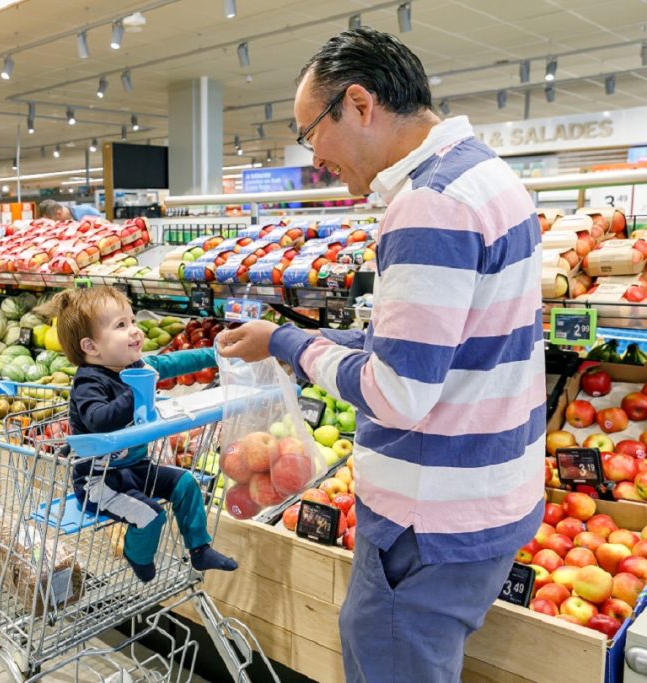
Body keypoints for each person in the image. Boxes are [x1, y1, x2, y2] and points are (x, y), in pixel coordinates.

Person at [216, 27, 544, 683]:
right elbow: (443, 346)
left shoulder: (429, 206)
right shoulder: (487, 175)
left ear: (360, 104)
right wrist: (324, 344)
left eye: (313, 134)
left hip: (427, 521)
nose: (316, 160)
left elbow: (399, 392)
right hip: (489, 494)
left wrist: (290, 342)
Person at [39, 287, 237, 583]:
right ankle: (137, 554)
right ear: (91, 346)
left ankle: (199, 548)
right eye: (121, 325)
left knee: (185, 483)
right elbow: (98, 421)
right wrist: (136, 391)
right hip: (99, 480)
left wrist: (218, 354)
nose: (135, 331)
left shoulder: (137, 367)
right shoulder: (89, 383)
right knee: (150, 515)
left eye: (132, 321)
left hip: (137, 469)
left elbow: (176, 362)